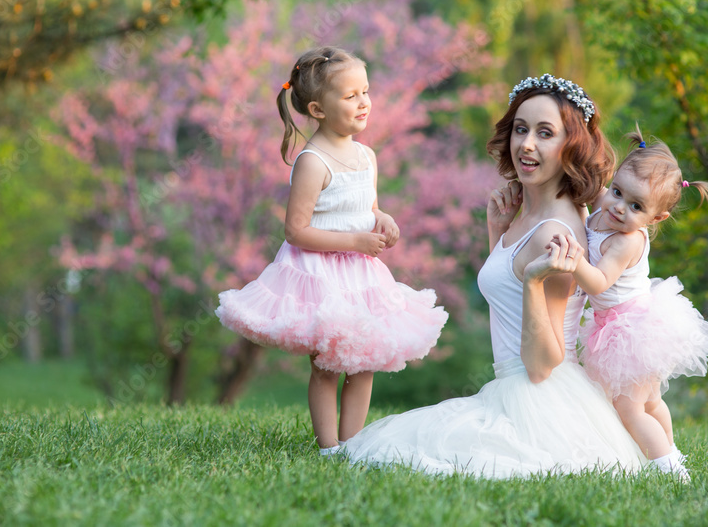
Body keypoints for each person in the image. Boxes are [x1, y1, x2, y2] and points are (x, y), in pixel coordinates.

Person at [342, 74, 647, 478]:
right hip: (515, 389)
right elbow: (507, 302)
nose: (526, 144)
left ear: (570, 146)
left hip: (538, 399)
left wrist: (537, 282)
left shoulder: (554, 233)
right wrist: (497, 234)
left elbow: (544, 364)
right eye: (520, 130)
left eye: (545, 133)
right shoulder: (532, 216)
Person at [215, 46, 448, 457]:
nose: (364, 103)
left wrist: (382, 218)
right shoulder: (312, 161)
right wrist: (355, 242)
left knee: (363, 363)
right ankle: (328, 446)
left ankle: (353, 444)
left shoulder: (365, 156)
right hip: (321, 275)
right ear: (319, 109)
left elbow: (364, 207)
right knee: (326, 365)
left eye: (366, 91)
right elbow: (296, 230)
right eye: (350, 95)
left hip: (361, 277)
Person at [546, 126, 708, 481]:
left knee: (630, 408)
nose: (620, 208)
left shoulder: (627, 242)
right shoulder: (601, 213)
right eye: (618, 192)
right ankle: (672, 449)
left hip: (634, 330)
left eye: (636, 206)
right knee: (651, 401)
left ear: (656, 219)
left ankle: (669, 469)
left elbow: (597, 281)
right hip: (622, 324)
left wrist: (574, 258)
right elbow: (587, 216)